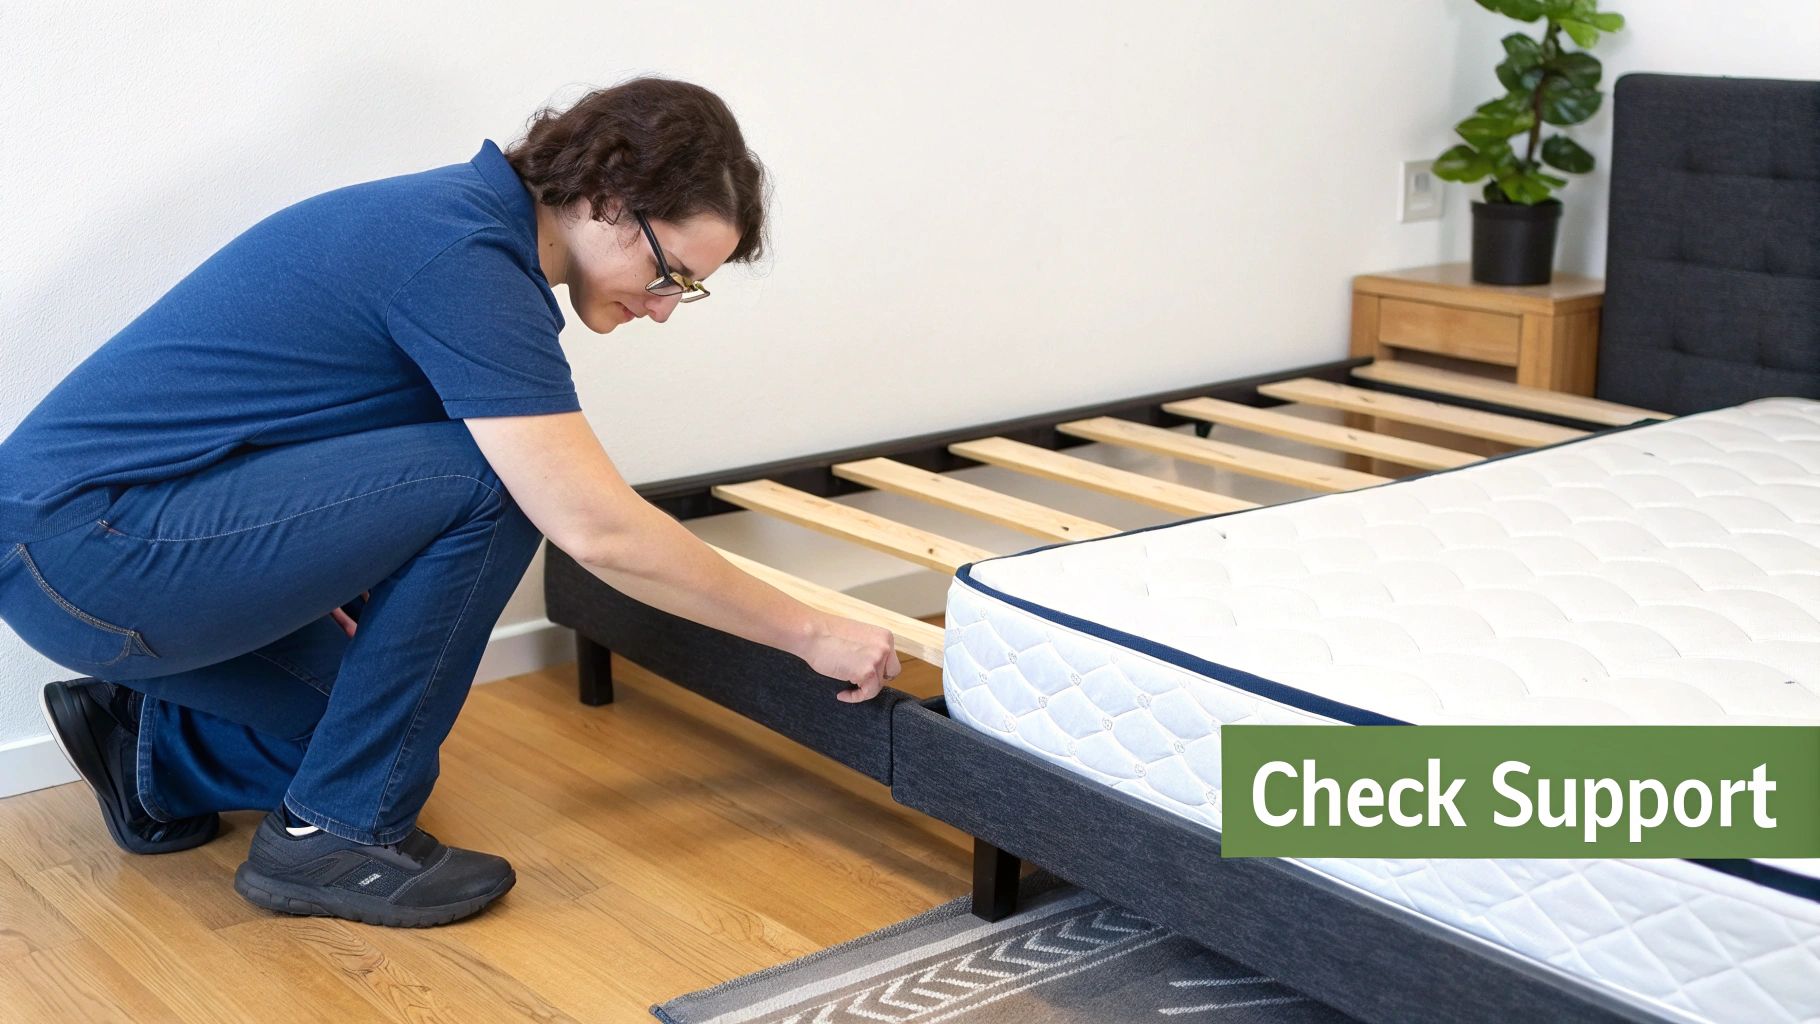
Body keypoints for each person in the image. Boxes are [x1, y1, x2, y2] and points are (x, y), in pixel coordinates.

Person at [0, 76, 901, 928]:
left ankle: (144, 742)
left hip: (88, 561)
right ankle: (332, 838)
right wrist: (811, 632)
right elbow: (594, 526)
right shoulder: (462, 259)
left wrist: (329, 590)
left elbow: (326, 452)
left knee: (359, 738)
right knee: (500, 485)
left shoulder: (451, 226)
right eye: (670, 274)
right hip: (94, 551)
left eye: (687, 290)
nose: (666, 309)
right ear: (606, 197)